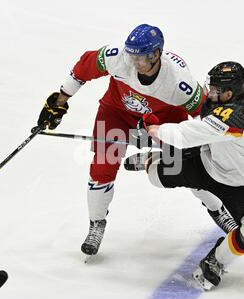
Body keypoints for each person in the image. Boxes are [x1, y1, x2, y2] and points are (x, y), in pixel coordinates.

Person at [34, 24, 207, 257]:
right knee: (102, 165)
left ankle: (216, 209)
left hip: (164, 121)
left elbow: (205, 116)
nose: (134, 62)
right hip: (117, 112)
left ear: (156, 54)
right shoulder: (117, 57)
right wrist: (60, 101)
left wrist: (209, 142)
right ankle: (96, 223)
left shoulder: (178, 83)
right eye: (131, 55)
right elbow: (84, 67)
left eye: (141, 58)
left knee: (187, 164)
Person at [135, 61, 244, 290]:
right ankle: (155, 159)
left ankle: (216, 260)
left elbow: (185, 134)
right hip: (208, 164)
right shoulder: (233, 100)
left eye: (216, 88)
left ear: (229, 93)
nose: (210, 92)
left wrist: (153, 131)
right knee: (155, 176)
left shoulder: (233, 118)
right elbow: (197, 131)